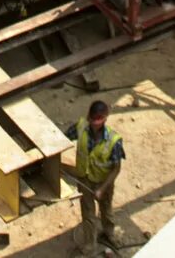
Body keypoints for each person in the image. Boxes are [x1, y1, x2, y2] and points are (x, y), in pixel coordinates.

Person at [69, 99, 124, 252]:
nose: (94, 123)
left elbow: (116, 168)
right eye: (92, 119)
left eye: (98, 119)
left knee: (106, 210)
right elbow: (64, 138)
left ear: (105, 118)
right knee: (88, 214)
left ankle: (109, 232)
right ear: (88, 116)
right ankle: (89, 243)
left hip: (104, 182)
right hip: (85, 179)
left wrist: (103, 188)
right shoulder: (81, 127)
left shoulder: (113, 141)